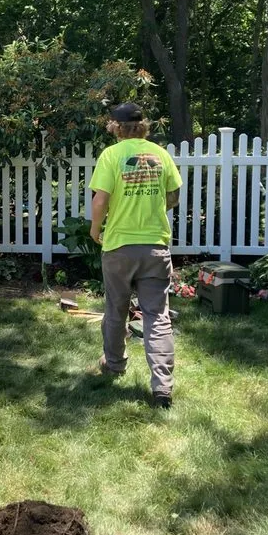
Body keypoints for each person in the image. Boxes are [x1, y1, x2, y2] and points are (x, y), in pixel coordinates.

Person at [88, 103, 182, 408]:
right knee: (157, 316)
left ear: (117, 126)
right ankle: (162, 387)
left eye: (109, 124)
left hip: (119, 247)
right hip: (155, 245)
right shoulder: (160, 154)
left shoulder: (112, 155)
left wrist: (95, 229)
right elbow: (174, 196)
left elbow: (101, 199)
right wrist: (151, 211)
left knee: (116, 310)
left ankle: (114, 364)